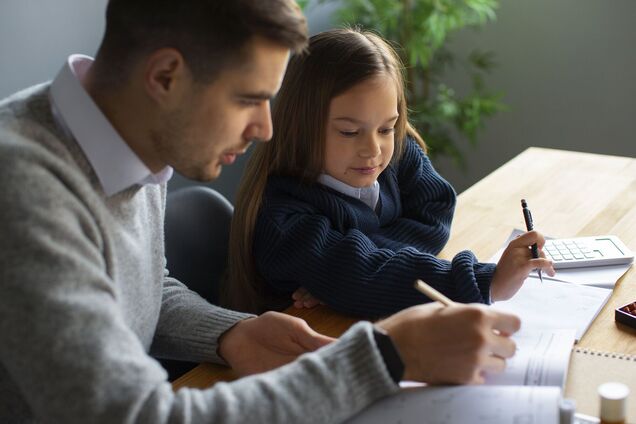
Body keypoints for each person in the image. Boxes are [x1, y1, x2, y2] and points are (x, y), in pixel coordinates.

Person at [0, 1, 522, 423]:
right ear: (165, 77)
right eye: (249, 99)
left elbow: (144, 290)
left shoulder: (129, 141)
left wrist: (230, 333)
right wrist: (384, 357)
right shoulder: (23, 191)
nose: (266, 130)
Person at [224, 28, 556, 317]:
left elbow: (435, 214)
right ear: (300, 128)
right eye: (349, 132)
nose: (374, 149)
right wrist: (487, 281)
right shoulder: (283, 217)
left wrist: (351, 263)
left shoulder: (396, 152)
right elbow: (367, 276)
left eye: (386, 128)